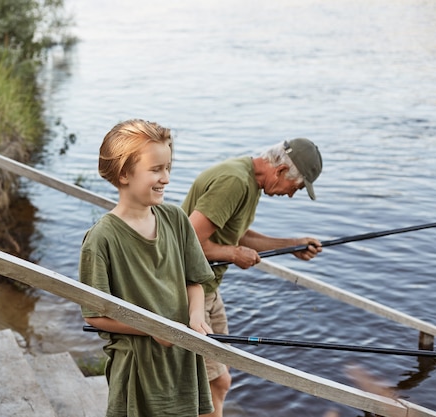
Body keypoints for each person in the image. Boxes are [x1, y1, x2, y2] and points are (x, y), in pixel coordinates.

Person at [79, 119, 216, 416]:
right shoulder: (101, 239)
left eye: (168, 168)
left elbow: (196, 280)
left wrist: (195, 317)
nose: (166, 178)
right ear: (124, 173)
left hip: (181, 356)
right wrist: (150, 328)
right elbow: (94, 315)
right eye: (155, 169)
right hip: (138, 367)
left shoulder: (176, 219)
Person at [181, 138, 324, 417]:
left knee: (222, 373)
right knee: (216, 384)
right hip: (187, 288)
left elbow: (237, 234)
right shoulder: (234, 181)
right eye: (295, 188)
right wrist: (234, 254)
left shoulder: (251, 181)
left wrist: (291, 245)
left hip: (208, 288)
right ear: (281, 170)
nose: (291, 195)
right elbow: (187, 242)